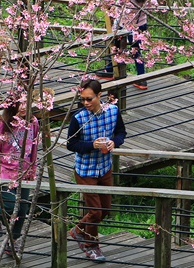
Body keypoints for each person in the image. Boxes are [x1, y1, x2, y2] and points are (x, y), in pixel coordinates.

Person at [67, 78, 126, 263]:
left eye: (89, 99)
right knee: (95, 212)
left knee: (105, 210)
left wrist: (114, 142)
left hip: (105, 167)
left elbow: (121, 132)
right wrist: (91, 145)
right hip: (85, 170)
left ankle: (77, 231)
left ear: (99, 95)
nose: (86, 103)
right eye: (83, 99)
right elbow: (71, 144)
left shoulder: (113, 111)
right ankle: (91, 246)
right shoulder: (78, 117)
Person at [0, 99, 39, 256]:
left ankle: (13, 242)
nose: (23, 107)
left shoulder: (33, 122)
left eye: (26, 103)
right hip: (6, 172)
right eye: (19, 103)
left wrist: (32, 168)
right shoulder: (2, 124)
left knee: (22, 209)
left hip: (24, 172)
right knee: (10, 205)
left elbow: (33, 147)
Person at [103, 0, 150, 89]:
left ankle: (110, 70)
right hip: (141, 24)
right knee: (136, 51)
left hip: (127, 24)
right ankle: (141, 78)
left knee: (118, 47)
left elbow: (120, 7)